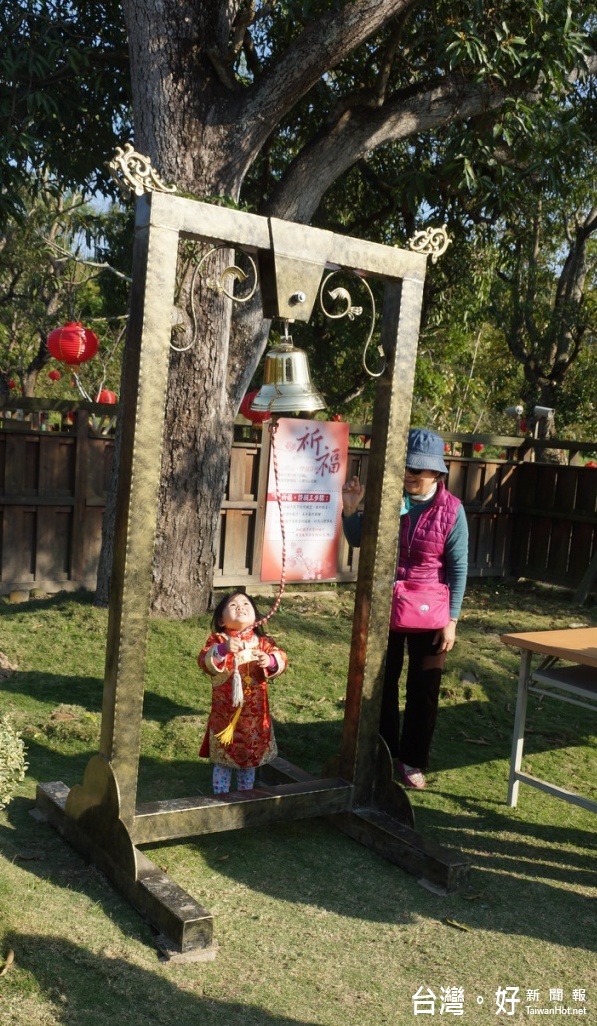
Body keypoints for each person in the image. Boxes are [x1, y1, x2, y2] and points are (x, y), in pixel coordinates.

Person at [341, 428, 468, 790]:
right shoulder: (388, 499)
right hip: (386, 607)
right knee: (380, 683)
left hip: (432, 612)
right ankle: (381, 751)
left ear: (437, 474)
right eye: (406, 466)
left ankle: (412, 760)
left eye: (419, 468)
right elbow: (357, 539)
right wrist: (351, 509)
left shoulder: (452, 511)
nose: (410, 474)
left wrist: (452, 621)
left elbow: (458, 568)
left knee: (424, 689)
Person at [198, 591, 287, 794]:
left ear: (255, 617)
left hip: (254, 719)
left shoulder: (263, 643)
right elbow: (204, 660)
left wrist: (271, 661)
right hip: (225, 717)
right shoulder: (218, 640)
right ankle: (221, 795)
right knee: (223, 759)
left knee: (250, 758)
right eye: (233, 605)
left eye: (246, 603)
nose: (240, 607)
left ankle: (246, 794)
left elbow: (282, 657)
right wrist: (223, 650)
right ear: (221, 620)